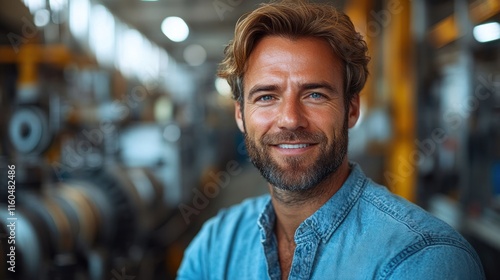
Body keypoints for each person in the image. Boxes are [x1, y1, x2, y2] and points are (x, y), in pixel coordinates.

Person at [177, 1, 485, 279]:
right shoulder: (215, 245)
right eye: (267, 96)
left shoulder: (424, 260)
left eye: (314, 94)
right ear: (241, 115)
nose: (290, 119)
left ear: (351, 109)